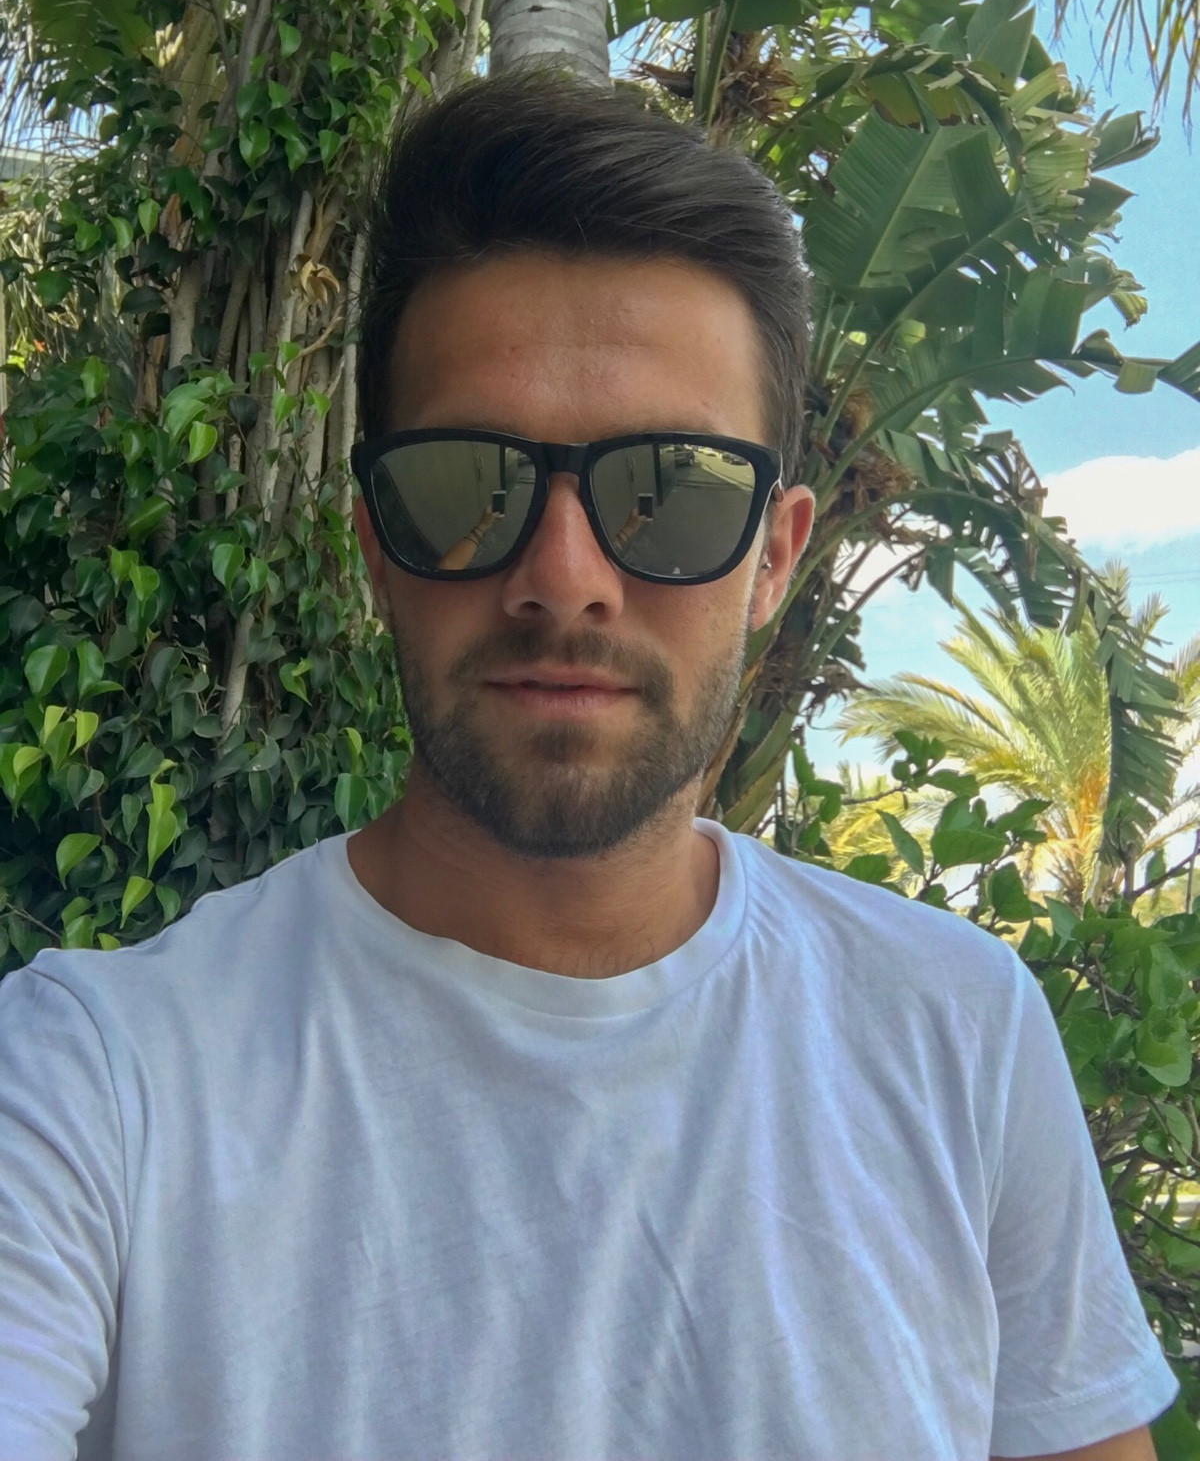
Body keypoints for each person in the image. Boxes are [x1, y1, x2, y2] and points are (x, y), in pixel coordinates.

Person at [0, 76, 1179, 1461]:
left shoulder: (956, 1033)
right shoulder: (99, 1081)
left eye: (668, 492)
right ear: (376, 544)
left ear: (775, 557)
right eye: (466, 485)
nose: (565, 579)